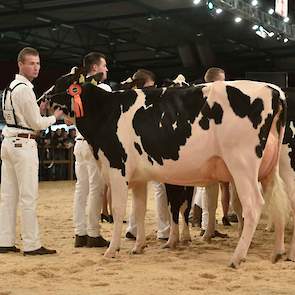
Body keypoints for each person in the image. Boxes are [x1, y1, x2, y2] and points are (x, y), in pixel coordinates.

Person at [0, 47, 64, 255]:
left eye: (37, 63)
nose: (36, 67)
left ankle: (5, 241)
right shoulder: (25, 89)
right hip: (23, 145)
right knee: (28, 196)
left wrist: (40, 111)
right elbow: (36, 124)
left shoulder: (10, 87)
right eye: (31, 63)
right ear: (20, 64)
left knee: (8, 196)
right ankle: (32, 244)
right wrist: (55, 116)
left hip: (9, 142)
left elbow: (24, 117)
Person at [125, 69, 170, 241]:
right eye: (151, 86)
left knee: (139, 190)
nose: (154, 89)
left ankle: (134, 228)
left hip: (137, 151)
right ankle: (164, 230)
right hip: (150, 149)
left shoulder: (129, 101)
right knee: (160, 188)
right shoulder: (146, 101)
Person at [73, 52, 111, 248]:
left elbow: (70, 118)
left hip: (78, 143)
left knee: (81, 189)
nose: (106, 69)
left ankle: (80, 233)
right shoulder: (102, 88)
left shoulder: (76, 88)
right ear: (95, 68)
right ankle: (93, 234)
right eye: (104, 66)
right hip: (93, 144)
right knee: (96, 190)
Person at [204, 67, 233, 226]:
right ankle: (209, 221)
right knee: (218, 186)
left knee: (220, 186)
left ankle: (223, 216)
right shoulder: (216, 99)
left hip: (213, 146)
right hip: (214, 147)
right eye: (222, 80)